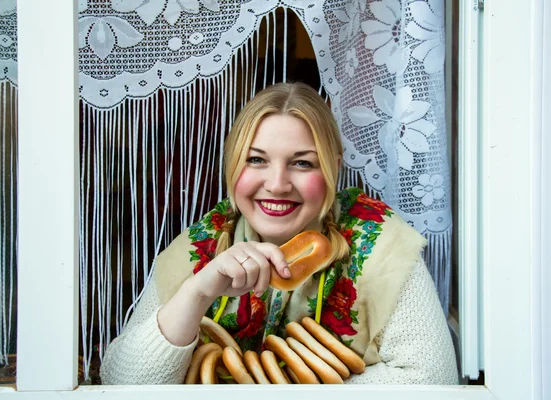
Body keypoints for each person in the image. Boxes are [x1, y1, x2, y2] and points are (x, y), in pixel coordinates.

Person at [99, 82, 458, 385]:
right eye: (256, 159)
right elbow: (120, 383)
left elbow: (432, 378)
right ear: (233, 163)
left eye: (302, 163)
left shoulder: (376, 241)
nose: (277, 184)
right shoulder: (203, 244)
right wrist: (198, 291)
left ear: (332, 168)